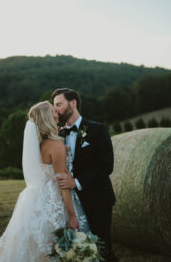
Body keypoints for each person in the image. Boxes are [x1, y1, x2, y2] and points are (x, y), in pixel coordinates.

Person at [0, 101, 90, 262]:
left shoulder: (40, 144)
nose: (57, 112)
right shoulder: (56, 145)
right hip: (55, 201)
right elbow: (62, 184)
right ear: (47, 118)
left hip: (38, 200)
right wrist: (72, 215)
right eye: (54, 111)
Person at [52, 88, 118, 262]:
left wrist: (76, 182)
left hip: (97, 199)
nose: (56, 109)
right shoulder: (57, 135)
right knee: (74, 252)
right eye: (54, 106)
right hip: (69, 204)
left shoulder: (98, 129)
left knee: (102, 249)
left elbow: (106, 166)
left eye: (59, 104)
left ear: (73, 103)